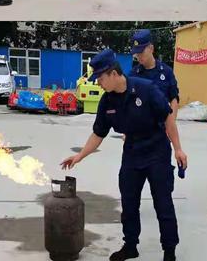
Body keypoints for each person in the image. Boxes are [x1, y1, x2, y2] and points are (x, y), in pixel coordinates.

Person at [61, 49, 187, 261]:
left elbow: (168, 118)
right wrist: (79, 156)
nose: (98, 83)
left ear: (113, 73)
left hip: (157, 151)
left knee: (162, 203)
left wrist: (178, 149)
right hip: (132, 154)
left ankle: (169, 251)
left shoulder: (146, 89)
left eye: (100, 78)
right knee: (129, 204)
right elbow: (98, 133)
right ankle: (131, 246)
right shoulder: (107, 101)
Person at [129, 29, 179, 119]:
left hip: (161, 127)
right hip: (139, 127)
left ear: (151, 48)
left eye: (141, 52)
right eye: (136, 53)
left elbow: (174, 99)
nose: (138, 56)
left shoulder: (166, 72)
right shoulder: (133, 75)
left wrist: (171, 124)